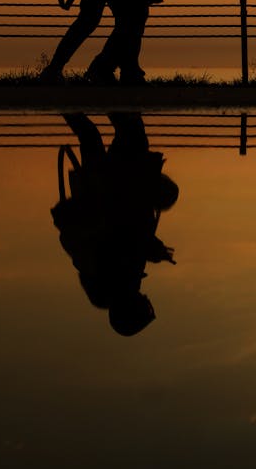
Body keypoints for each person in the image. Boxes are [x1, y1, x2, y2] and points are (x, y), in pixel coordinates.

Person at [52, 112, 180, 335]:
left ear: (131, 310)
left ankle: (104, 87)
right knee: (92, 136)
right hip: (104, 193)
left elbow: (122, 238)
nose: (146, 300)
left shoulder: (114, 283)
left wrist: (153, 250)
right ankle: (66, 91)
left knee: (130, 135)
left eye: (144, 307)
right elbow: (130, 239)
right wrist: (153, 249)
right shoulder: (114, 286)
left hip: (107, 192)